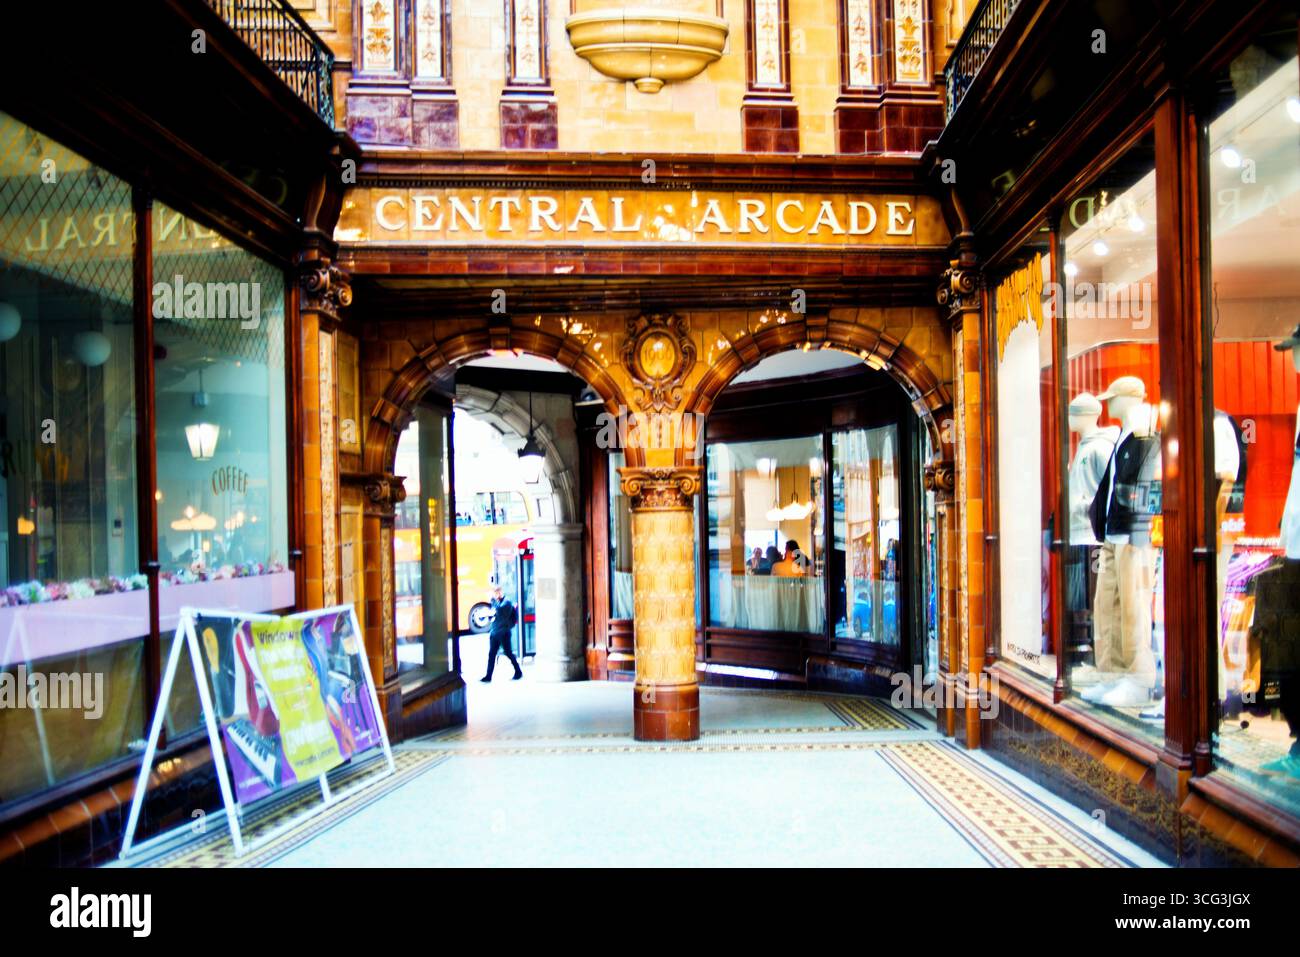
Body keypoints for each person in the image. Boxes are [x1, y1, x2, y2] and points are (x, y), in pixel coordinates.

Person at [482, 583, 523, 682]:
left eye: (495, 593)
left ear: (500, 592)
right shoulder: (497, 602)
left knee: (508, 653)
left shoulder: (507, 602)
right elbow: (495, 613)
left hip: (503, 633)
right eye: (493, 593)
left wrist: (493, 601)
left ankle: (518, 671)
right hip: (495, 632)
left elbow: (500, 611)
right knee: (491, 654)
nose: (494, 595)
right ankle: (488, 676)